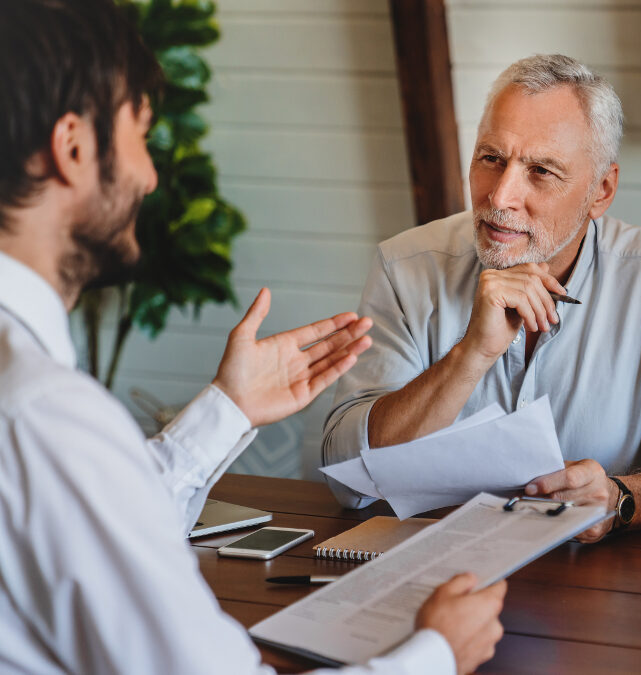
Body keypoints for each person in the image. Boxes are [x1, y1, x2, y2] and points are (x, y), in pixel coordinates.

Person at [0, 1, 503, 673]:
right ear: (73, 148)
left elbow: (91, 526)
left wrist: (227, 408)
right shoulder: (44, 415)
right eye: (140, 136)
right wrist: (437, 652)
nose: (150, 175)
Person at [323, 54, 641, 542]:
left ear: (601, 191)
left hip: (594, 579)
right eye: (491, 159)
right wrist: (471, 355)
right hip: (428, 562)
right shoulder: (404, 266)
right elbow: (346, 476)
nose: (501, 196)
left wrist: (621, 499)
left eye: (541, 171)